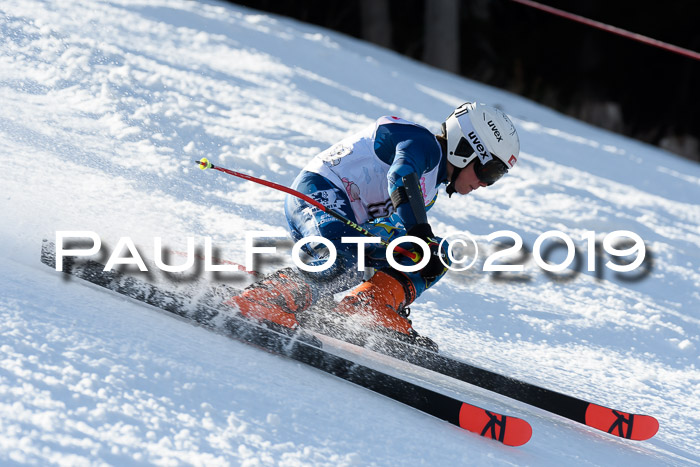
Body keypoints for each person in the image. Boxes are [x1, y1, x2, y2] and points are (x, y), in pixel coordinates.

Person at [225, 102, 520, 347]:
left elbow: (394, 227)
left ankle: (367, 308)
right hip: (317, 197)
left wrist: (415, 247)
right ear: (466, 148)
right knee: (349, 256)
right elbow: (401, 175)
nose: (485, 183)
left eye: (496, 176)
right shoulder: (423, 145)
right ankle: (265, 299)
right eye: (489, 170)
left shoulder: (430, 188)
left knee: (435, 254)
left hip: (347, 222)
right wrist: (419, 233)